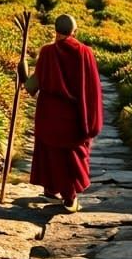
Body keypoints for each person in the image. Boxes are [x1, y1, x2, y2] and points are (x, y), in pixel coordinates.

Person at [18, 13, 103, 212]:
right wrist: (91, 119)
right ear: (75, 31)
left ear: (55, 31)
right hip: (74, 116)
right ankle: (69, 198)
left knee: (50, 152)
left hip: (48, 113)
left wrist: (23, 73)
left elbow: (32, 87)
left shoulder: (47, 52)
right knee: (70, 157)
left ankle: (51, 189)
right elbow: (92, 89)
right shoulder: (85, 52)